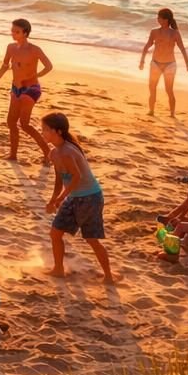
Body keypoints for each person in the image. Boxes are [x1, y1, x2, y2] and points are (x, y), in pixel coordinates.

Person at [40, 112, 113, 282]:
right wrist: (53, 199)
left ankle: (108, 276)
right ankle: (58, 269)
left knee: (91, 239)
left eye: (45, 129)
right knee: (55, 233)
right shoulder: (54, 153)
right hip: (74, 197)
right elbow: (60, 180)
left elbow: (77, 177)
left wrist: (61, 199)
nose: (42, 132)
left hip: (90, 198)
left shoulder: (67, 151)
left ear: (58, 131)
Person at [0, 19, 52, 163]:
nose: (13, 34)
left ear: (25, 33)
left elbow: (48, 66)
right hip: (15, 88)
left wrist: (35, 76)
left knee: (24, 124)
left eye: (16, 32)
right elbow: (5, 65)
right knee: (11, 122)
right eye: (12, 31)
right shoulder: (11, 47)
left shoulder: (34, 50)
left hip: (31, 89)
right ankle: (13, 155)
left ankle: (47, 152)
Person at [138, 8, 188, 117]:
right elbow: (147, 46)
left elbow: (183, 49)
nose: (157, 19)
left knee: (169, 90)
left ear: (166, 19)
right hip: (155, 63)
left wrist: (187, 65)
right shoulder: (154, 32)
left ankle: (172, 114)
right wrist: (142, 61)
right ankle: (151, 111)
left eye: (159, 17)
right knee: (152, 88)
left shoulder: (175, 33)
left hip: (170, 65)